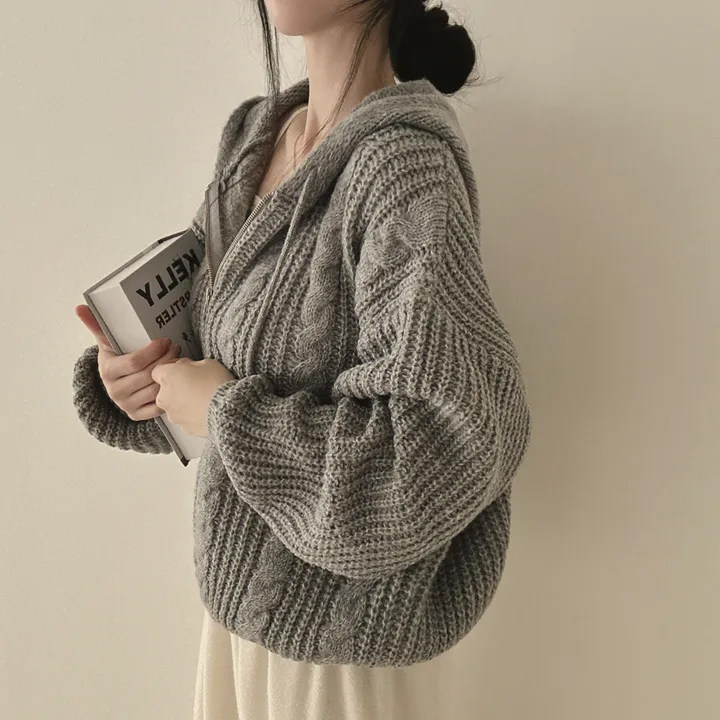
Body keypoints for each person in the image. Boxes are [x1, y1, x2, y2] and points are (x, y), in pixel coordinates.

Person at [72, 0, 533, 717]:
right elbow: (220, 352)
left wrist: (225, 413)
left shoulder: (403, 168)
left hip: (342, 659)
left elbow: (441, 445)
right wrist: (138, 380)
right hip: (235, 625)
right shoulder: (256, 137)